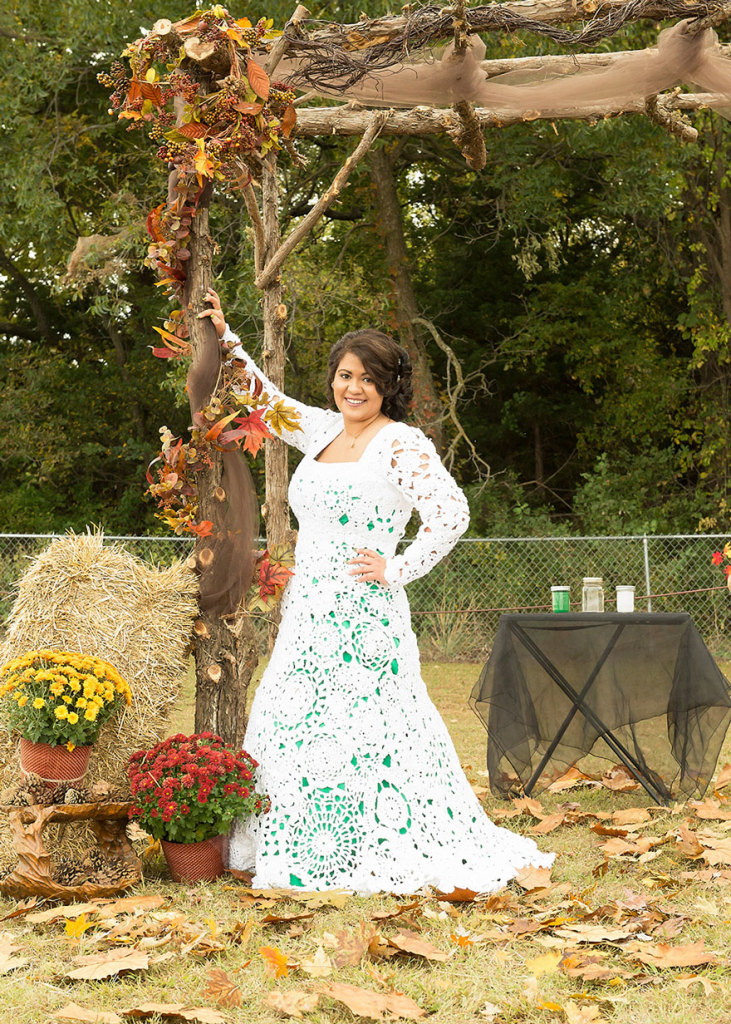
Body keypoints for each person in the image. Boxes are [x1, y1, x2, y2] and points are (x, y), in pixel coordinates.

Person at [200, 289, 554, 893]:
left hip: (366, 612)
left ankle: (374, 842)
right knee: (298, 722)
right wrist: (225, 337)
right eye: (344, 376)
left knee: (368, 729)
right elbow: (265, 400)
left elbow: (451, 513)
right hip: (307, 608)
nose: (353, 389)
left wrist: (397, 568)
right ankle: (301, 842)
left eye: (367, 379)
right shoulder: (322, 433)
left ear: (388, 386)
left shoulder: (402, 442)